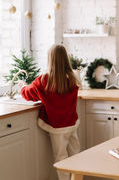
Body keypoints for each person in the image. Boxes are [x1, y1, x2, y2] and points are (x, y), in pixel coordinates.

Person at [21, 44, 80, 180]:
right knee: (76, 155)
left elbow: (28, 95)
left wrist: (22, 86)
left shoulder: (43, 80)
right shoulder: (72, 79)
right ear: (66, 59)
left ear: (50, 60)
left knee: (61, 158)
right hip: (71, 124)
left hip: (57, 127)